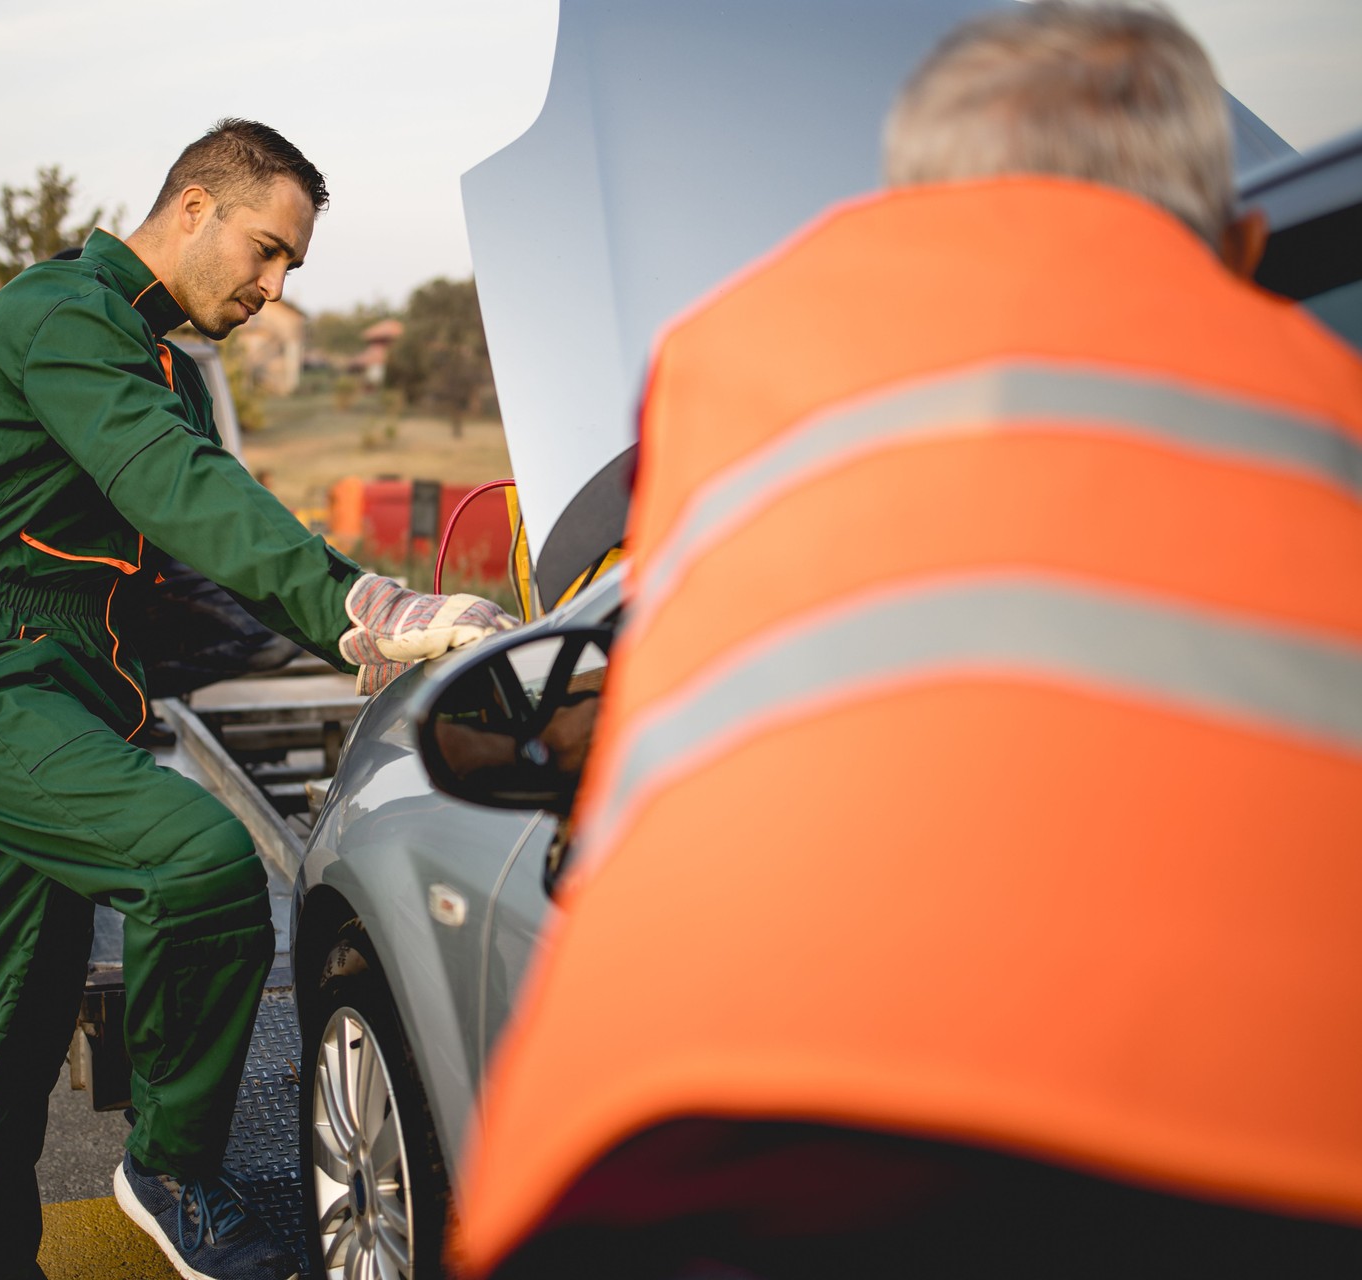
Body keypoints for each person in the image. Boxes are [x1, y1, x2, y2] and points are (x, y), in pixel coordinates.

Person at [453, 6, 1362, 1278]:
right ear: (1248, 237)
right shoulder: (1330, 394)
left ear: (908, 198)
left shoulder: (719, 353)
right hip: (1279, 1158)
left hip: (690, 1156)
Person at [0, 119, 514, 1280]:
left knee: (15, 1003)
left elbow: (186, 550)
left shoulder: (153, 359)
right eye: (266, 250)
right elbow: (177, 486)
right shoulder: (65, 316)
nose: (272, 288)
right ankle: (170, 1163)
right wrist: (353, 597)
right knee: (203, 864)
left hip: (66, 686)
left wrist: (352, 642)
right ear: (191, 212)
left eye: (293, 269)